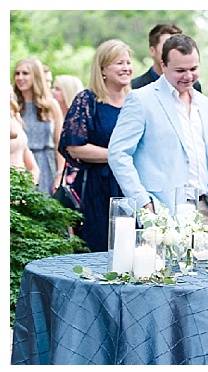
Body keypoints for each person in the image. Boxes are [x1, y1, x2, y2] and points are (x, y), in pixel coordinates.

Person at [108, 33, 208, 218]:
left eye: (193, 68)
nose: (188, 76)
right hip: (162, 210)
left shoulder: (205, 104)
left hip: (205, 208)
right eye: (180, 70)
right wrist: (143, 202)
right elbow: (117, 153)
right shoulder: (141, 99)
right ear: (163, 66)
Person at [58, 39, 133, 252]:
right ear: (103, 69)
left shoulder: (136, 100)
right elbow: (74, 146)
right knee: (100, 248)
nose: (126, 68)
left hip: (133, 185)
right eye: (119, 63)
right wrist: (117, 155)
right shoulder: (87, 101)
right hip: (98, 188)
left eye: (128, 62)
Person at [13, 57, 64, 195]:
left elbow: (59, 142)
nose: (20, 77)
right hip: (19, 164)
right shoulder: (12, 104)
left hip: (46, 164)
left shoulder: (51, 105)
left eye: (25, 73)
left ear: (36, 76)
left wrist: (60, 174)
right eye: (17, 73)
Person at [131, 23, 202, 92]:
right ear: (152, 50)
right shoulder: (135, 87)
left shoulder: (194, 86)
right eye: (165, 47)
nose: (171, 52)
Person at [52, 74, 85, 186]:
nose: (52, 92)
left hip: (72, 171)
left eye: (57, 89)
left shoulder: (79, 120)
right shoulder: (51, 116)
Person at [10, 88, 40, 184]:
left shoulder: (15, 116)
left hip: (20, 184)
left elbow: (25, 148)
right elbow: (13, 133)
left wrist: (34, 174)